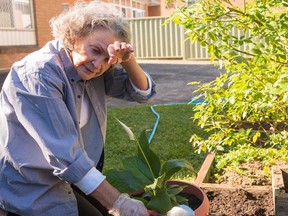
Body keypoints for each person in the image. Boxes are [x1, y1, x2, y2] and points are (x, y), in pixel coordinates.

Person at [0, 1, 156, 215]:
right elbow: (65, 156)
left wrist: (127, 60)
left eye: (107, 59)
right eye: (95, 50)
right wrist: (118, 203)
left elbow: (142, 93)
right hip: (33, 187)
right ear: (74, 36)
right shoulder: (38, 74)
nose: (97, 64)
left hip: (76, 178)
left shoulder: (93, 69)